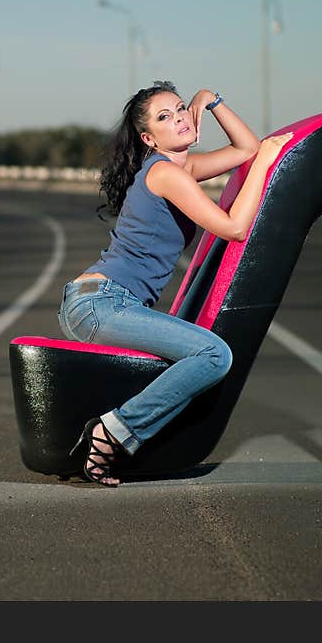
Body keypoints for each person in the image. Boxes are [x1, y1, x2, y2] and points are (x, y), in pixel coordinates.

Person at [58, 81, 293, 486]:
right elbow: (234, 227)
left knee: (203, 356)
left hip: (107, 302)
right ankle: (111, 432)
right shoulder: (166, 174)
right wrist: (265, 164)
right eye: (165, 117)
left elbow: (246, 148)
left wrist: (212, 100)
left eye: (182, 108)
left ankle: (114, 439)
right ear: (149, 138)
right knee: (213, 355)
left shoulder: (183, 168)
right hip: (101, 303)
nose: (181, 117)